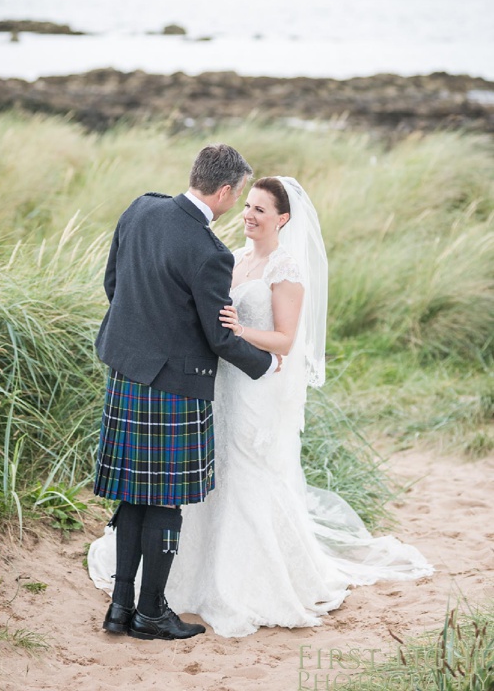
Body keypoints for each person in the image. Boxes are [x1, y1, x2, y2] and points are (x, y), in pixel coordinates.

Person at [89, 176, 433, 638]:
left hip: (248, 389)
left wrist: (243, 338)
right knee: (186, 492)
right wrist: (224, 337)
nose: (249, 214)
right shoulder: (227, 256)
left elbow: (285, 341)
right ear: (230, 194)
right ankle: (157, 602)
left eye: (261, 210)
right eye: (247, 205)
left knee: (233, 480)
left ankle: (202, 591)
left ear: (283, 219)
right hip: (216, 383)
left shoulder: (284, 268)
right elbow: (207, 323)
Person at [91, 144, 279, 642]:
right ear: (223, 191)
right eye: (237, 194)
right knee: (166, 503)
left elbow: (114, 284)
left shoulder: (140, 208)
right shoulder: (209, 253)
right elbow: (219, 337)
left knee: (132, 496)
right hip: (175, 386)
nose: (236, 202)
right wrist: (266, 364)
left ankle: (119, 608)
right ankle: (151, 613)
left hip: (126, 372)